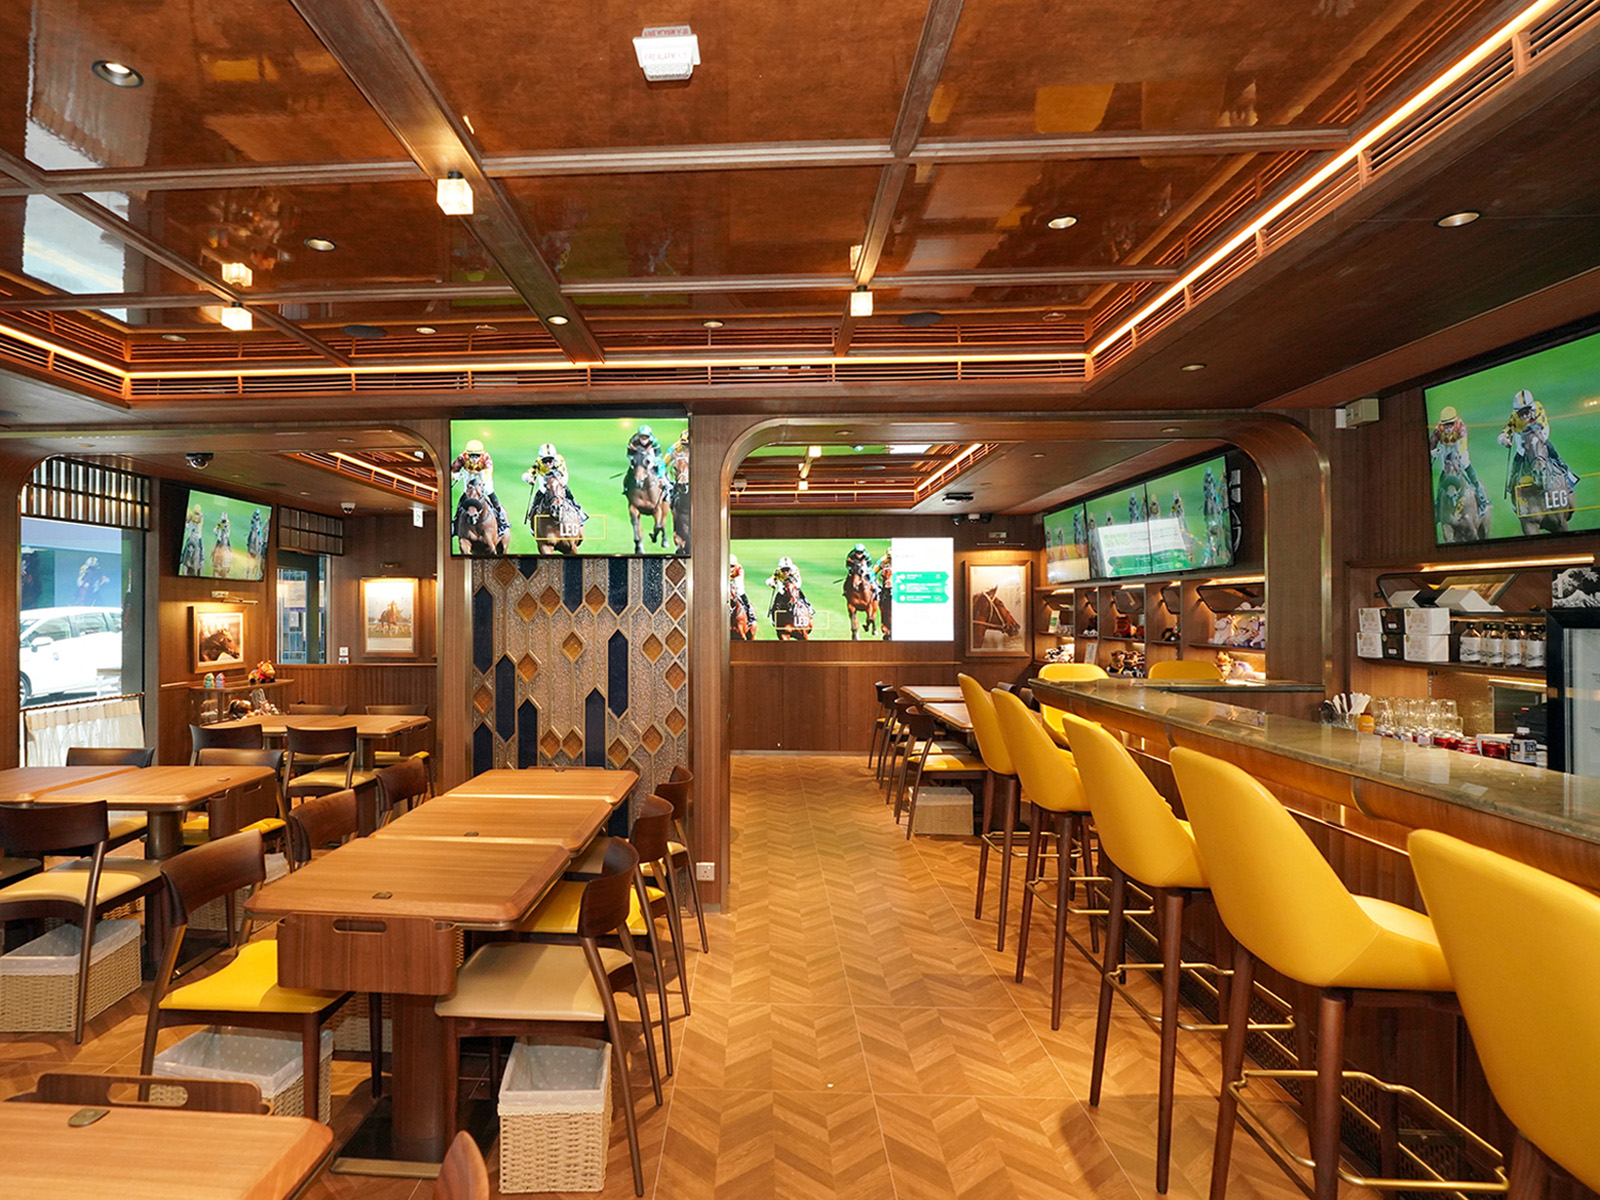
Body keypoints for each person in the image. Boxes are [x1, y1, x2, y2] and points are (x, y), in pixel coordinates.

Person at [1499, 388, 1580, 491]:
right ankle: (1512, 479)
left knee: (1545, 444)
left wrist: (1532, 433)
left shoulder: (1538, 408)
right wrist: (1504, 439)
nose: (1524, 416)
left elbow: (1538, 427)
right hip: (1523, 435)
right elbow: (1507, 429)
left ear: (1531, 408)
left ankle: (1564, 469)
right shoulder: (1514, 417)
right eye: (1521, 414)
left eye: (1526, 412)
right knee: (1520, 452)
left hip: (1540, 431)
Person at [1429, 405, 1490, 517]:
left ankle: (1480, 496)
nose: (1448, 427)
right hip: (1445, 447)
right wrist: (1432, 451)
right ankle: (1438, 503)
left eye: (1450, 424)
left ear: (1454, 421)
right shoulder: (1438, 429)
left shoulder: (1460, 426)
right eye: (1445, 424)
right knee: (1444, 470)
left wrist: (1460, 454)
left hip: (1458, 445)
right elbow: (1433, 441)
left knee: (1465, 464)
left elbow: (1463, 443)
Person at [451, 438, 510, 538]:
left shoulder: (486, 458)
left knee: (489, 491)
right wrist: (454, 476)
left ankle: (501, 517)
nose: (474, 458)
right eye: (471, 455)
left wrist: (482, 482)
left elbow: (488, 472)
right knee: (466, 494)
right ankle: (456, 521)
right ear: (467, 454)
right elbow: (452, 470)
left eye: (477, 455)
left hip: (482, 474)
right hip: (469, 474)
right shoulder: (462, 458)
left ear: (481, 454)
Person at [624, 425, 671, 493]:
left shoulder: (654, 441)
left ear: (649, 437)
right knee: (631, 469)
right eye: (642, 438)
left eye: (646, 438)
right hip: (637, 454)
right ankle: (626, 486)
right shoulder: (633, 440)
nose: (644, 440)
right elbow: (629, 454)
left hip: (650, 453)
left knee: (659, 466)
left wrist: (653, 462)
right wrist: (633, 461)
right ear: (638, 436)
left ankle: (666, 483)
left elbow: (658, 455)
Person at [729, 553, 756, 626]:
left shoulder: (739, 568)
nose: (730, 568)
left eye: (732, 566)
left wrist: (735, 587)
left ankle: (750, 612)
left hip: (736, 578)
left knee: (740, 591)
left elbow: (738, 581)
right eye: (728, 566)